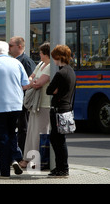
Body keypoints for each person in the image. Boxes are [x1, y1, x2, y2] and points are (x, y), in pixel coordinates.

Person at [0, 41, 30, 178]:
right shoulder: (17, 63)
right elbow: (26, 85)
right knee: (12, 133)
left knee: (1, 137)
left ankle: (4, 171)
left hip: (0, 106)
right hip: (16, 105)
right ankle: (14, 157)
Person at [20, 42, 51, 169]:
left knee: (41, 132)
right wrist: (34, 82)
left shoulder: (50, 67)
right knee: (32, 132)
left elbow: (37, 83)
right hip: (35, 104)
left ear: (45, 54)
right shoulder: (41, 64)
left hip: (44, 104)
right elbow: (31, 79)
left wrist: (33, 82)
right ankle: (27, 159)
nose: (39, 54)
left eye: (41, 53)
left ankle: (37, 160)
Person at [46, 44, 76, 178]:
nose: (53, 59)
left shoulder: (60, 73)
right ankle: (61, 168)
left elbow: (48, 90)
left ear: (59, 57)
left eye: (54, 57)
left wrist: (55, 90)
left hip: (58, 110)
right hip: (67, 108)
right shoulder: (70, 71)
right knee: (59, 139)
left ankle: (62, 169)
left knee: (57, 140)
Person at [9, 36, 36, 157]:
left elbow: (29, 83)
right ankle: (11, 154)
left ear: (19, 47)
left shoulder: (25, 61)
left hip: (23, 101)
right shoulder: (15, 60)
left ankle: (21, 155)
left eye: (11, 45)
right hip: (16, 100)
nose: (8, 48)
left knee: (23, 128)